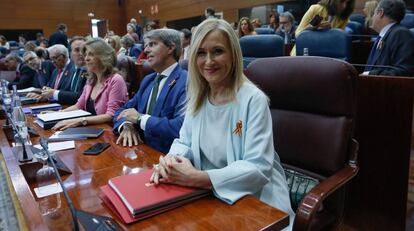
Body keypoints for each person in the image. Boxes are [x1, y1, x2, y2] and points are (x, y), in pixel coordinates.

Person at [150, 19, 294, 229]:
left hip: (256, 198)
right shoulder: (198, 95)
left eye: (217, 51)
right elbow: (184, 141)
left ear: (233, 55)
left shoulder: (253, 99)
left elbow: (258, 168)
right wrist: (171, 161)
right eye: (201, 53)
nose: (208, 61)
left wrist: (199, 178)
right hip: (206, 192)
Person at [113, 29, 187, 154]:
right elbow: (122, 111)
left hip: (167, 157)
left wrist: (140, 119)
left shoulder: (186, 81)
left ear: (170, 48)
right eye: (146, 46)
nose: (146, 50)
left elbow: (182, 128)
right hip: (141, 152)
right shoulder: (148, 80)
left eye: (152, 44)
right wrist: (127, 125)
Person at [52, 38, 128, 130]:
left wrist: (81, 121)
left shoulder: (116, 80)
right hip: (91, 130)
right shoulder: (91, 80)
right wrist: (56, 114)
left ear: (103, 56)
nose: (86, 58)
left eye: (91, 54)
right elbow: (79, 105)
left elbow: (111, 115)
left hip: (108, 133)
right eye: (86, 54)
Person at [364, 0, 414, 76]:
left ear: (380, 13)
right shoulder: (384, 35)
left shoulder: (400, 34)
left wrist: (371, 74)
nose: (372, 17)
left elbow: (404, 70)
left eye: (374, 13)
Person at [291, 0, 355, 55]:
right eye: (342, 1)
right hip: (304, 52)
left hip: (325, 54)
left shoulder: (343, 18)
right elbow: (298, 35)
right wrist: (313, 27)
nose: (344, 6)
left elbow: (337, 43)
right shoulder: (315, 9)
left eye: (348, 3)